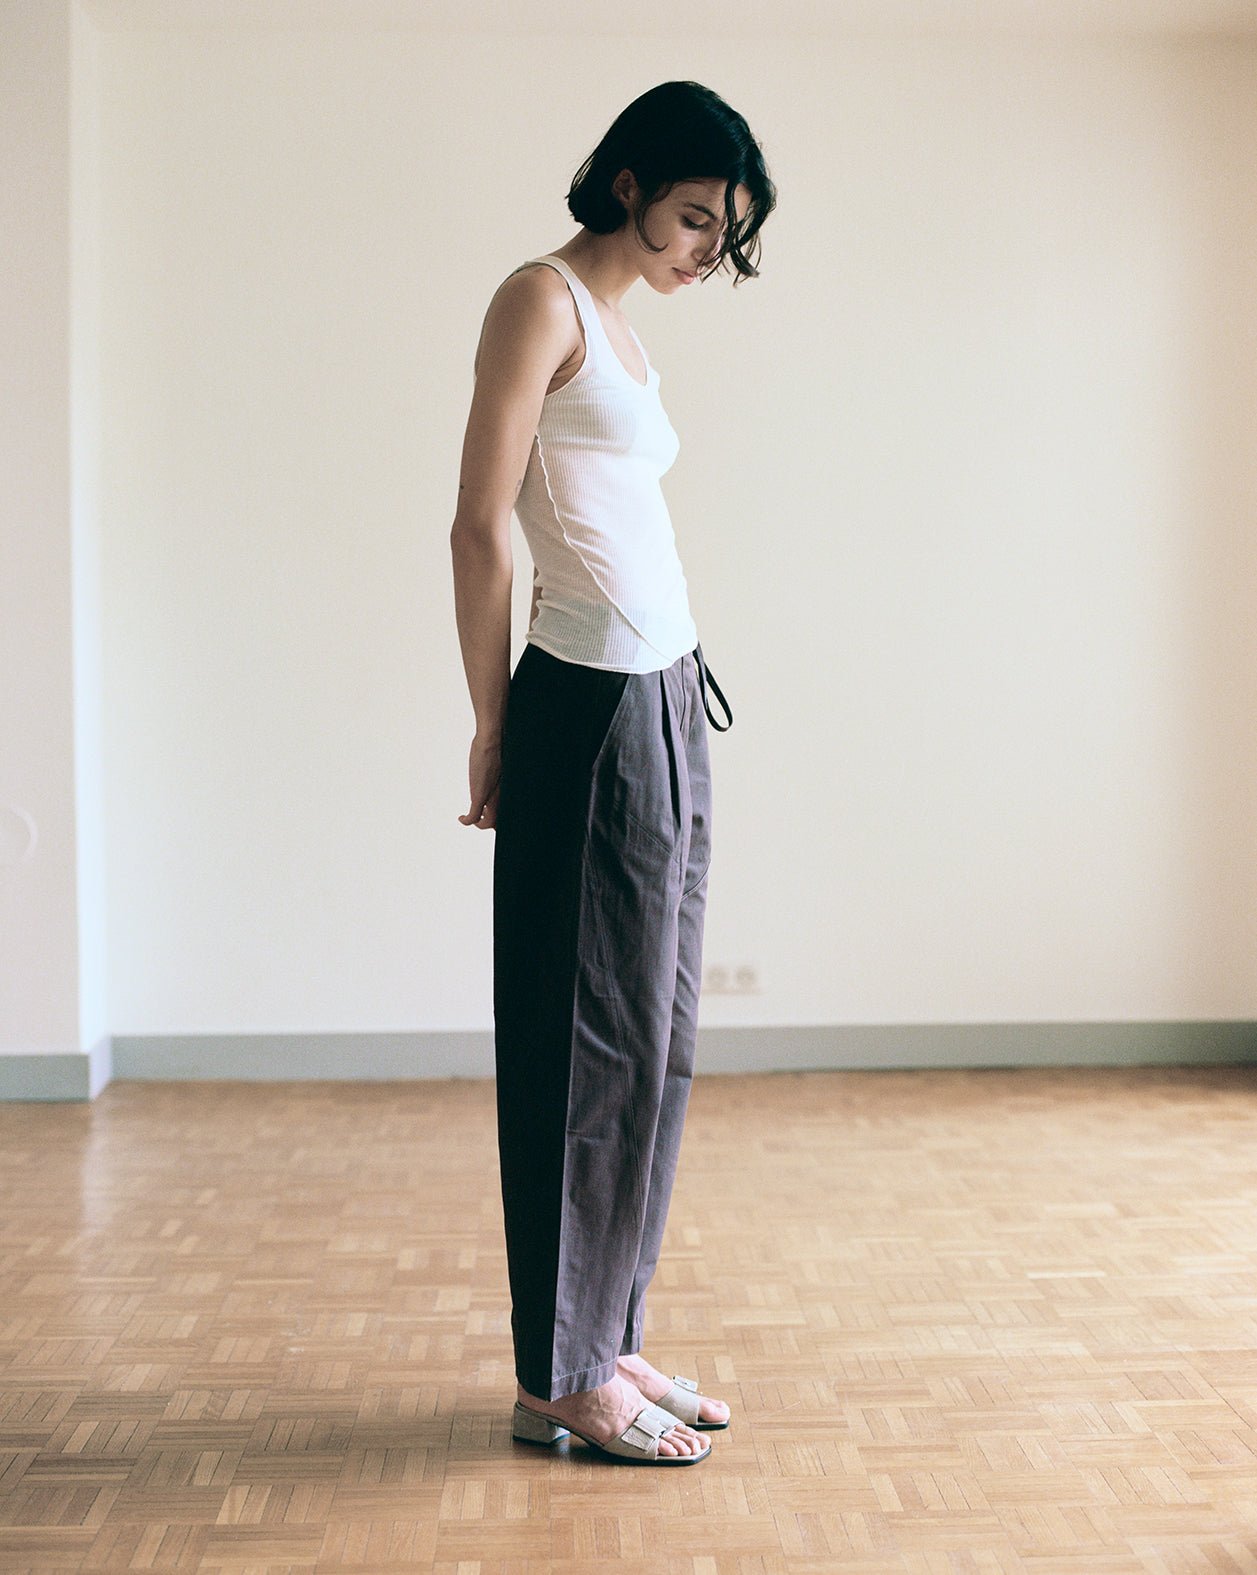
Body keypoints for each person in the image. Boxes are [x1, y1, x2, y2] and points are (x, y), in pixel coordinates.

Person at [450, 80, 776, 1466]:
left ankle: (609, 1332)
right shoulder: (539, 299)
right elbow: (477, 527)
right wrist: (490, 721)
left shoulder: (628, 333)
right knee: (580, 1040)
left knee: (651, 1038)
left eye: (725, 235)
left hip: (662, 696)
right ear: (631, 178)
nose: (703, 248)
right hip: (580, 700)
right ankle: (558, 1374)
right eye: (694, 216)